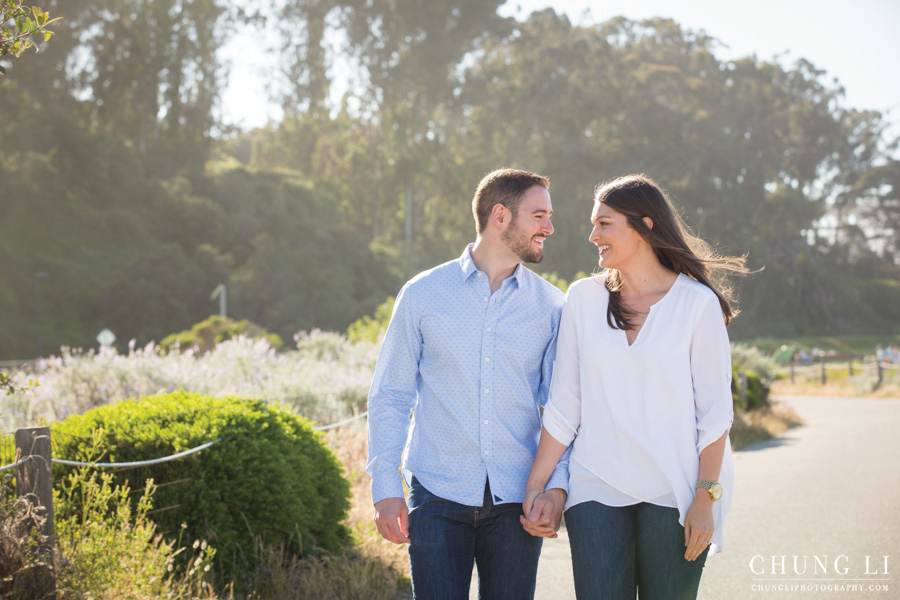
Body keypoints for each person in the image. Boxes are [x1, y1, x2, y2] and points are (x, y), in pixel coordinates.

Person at [522, 174, 747, 600]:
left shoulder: (697, 304)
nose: (593, 236)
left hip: (675, 488)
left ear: (644, 225)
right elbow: (565, 406)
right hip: (595, 484)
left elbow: (715, 416)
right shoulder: (583, 299)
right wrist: (537, 486)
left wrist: (705, 499)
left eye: (604, 224)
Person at [367, 168, 569, 600]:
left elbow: (562, 410)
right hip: (435, 493)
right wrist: (385, 485)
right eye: (539, 215)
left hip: (517, 500)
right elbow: (391, 395)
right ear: (500, 216)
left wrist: (557, 487)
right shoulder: (422, 294)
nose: (549, 227)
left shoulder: (552, 306)